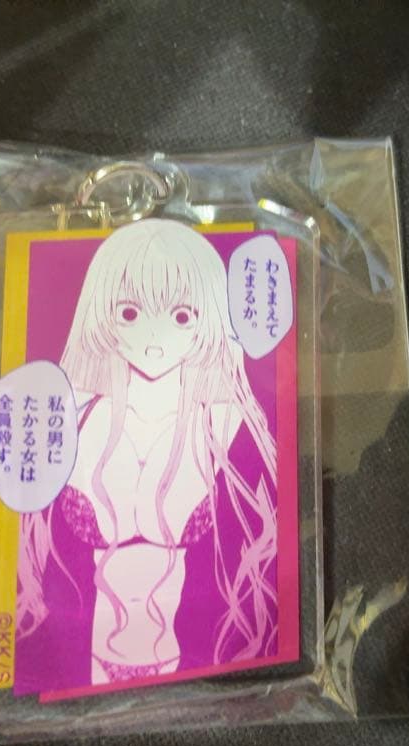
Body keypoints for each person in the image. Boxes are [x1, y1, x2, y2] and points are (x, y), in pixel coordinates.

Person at [18, 219, 279, 689]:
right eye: (129, 312)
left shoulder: (224, 421)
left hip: (187, 665)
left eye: (181, 316)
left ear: (208, 317)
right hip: (83, 664)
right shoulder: (69, 411)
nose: (153, 338)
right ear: (100, 312)